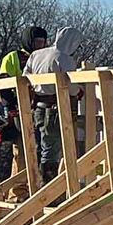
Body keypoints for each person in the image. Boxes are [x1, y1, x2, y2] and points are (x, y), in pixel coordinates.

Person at [24, 27, 86, 179]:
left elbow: (25, 78)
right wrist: (79, 91)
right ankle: (50, 186)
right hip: (56, 109)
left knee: (45, 146)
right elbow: (71, 86)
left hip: (39, 108)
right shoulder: (63, 58)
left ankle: (44, 182)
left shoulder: (36, 55)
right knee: (53, 149)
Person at [0, 25, 50, 161]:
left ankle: (38, 170)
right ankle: (23, 173)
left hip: (39, 105)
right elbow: (4, 84)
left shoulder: (44, 57)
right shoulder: (14, 57)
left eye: (42, 42)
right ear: (29, 41)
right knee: (21, 149)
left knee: (40, 144)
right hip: (18, 106)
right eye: (37, 42)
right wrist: (10, 106)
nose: (40, 46)